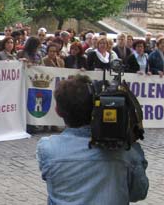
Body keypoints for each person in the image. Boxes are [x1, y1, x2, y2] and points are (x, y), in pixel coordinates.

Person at [37, 75, 149, 204]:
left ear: (58, 111)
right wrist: (132, 143)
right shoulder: (125, 152)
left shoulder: (47, 148)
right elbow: (139, 193)